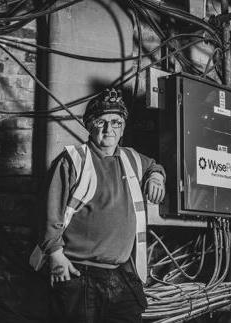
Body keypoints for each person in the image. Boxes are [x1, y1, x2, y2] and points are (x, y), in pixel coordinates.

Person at [30, 88, 166, 322]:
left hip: (119, 274)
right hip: (77, 272)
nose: (109, 129)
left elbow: (154, 165)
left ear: (123, 127)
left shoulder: (132, 158)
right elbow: (50, 211)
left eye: (116, 122)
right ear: (89, 126)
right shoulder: (73, 160)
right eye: (101, 122)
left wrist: (156, 177)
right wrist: (55, 255)